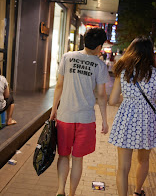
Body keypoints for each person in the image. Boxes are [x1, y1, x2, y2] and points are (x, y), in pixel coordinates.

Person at [108, 37, 156, 196]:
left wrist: (126, 97)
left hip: (126, 119)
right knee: (144, 160)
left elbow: (112, 100)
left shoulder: (123, 69)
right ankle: (138, 191)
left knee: (123, 167)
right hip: (146, 120)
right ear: (149, 53)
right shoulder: (155, 74)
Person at [49, 28, 109, 196]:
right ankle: (72, 193)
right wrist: (104, 120)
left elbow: (59, 85)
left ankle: (60, 189)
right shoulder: (100, 65)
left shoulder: (68, 57)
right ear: (99, 46)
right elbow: (102, 95)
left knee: (63, 156)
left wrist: (54, 110)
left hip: (65, 116)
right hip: (85, 118)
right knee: (77, 159)